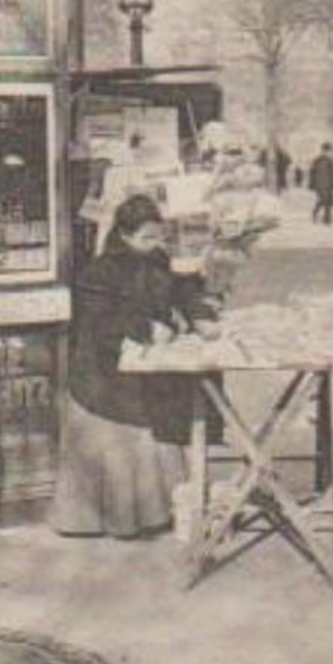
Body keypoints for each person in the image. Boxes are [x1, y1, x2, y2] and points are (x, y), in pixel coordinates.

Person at [52, 194, 215, 539]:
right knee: (129, 427)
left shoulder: (157, 259)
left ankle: (160, 511)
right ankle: (116, 517)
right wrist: (144, 330)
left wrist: (200, 316)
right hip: (103, 376)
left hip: (144, 365)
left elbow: (181, 290)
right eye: (146, 238)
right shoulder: (99, 271)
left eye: (158, 237)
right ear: (125, 235)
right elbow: (99, 324)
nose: (155, 244)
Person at [308, 143, 333, 224]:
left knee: (327, 201)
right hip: (322, 184)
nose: (328, 153)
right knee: (324, 200)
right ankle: (317, 214)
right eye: (328, 151)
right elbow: (312, 173)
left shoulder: (326, 161)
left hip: (326, 184)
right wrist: (312, 183)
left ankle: (327, 218)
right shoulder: (318, 160)